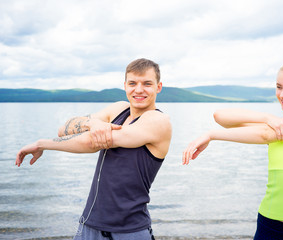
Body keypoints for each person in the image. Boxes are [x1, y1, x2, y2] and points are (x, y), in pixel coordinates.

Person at [16, 58, 172, 240]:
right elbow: (64, 128)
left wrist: (41, 143)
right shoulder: (119, 109)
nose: (138, 89)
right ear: (125, 85)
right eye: (132, 83)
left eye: (147, 84)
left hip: (130, 231)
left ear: (158, 87)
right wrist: (93, 123)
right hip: (89, 225)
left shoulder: (158, 121)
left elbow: (92, 143)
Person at [182, 60, 283, 240]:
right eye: (279, 87)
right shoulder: (273, 125)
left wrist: (211, 134)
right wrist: (267, 117)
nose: (282, 94)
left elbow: (265, 135)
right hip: (270, 227)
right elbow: (220, 116)